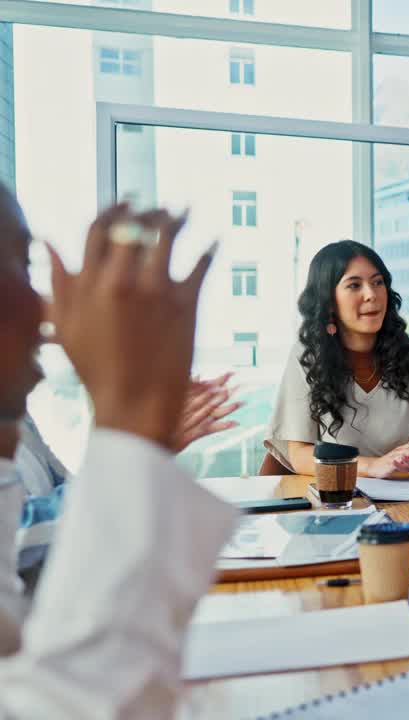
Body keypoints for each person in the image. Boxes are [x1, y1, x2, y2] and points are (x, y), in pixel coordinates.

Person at [0, 190, 239, 717]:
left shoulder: (21, 427)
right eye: (16, 266)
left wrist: (141, 439)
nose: (47, 307)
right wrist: (131, 430)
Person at [265, 240, 409, 479]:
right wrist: (372, 466)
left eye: (377, 282)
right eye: (354, 285)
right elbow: (298, 455)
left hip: (406, 496)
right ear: (329, 301)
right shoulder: (307, 356)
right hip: (336, 498)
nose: (371, 295)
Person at [15, 373, 240, 578]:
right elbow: (16, 531)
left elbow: (73, 498)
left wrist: (145, 444)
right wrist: (142, 446)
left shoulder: (18, 418)